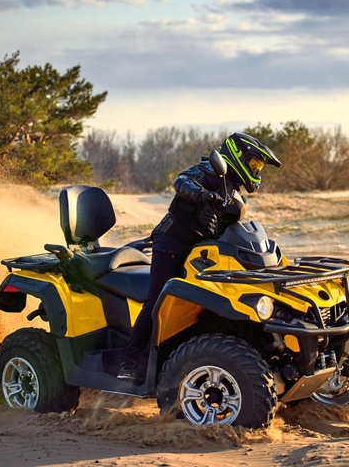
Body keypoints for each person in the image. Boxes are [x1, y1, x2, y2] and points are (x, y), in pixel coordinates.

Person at [117, 132, 281, 383]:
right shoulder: (211, 170)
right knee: (157, 300)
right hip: (172, 244)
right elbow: (181, 181)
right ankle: (130, 362)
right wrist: (201, 195)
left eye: (259, 167)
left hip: (200, 252)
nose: (257, 170)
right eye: (254, 164)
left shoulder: (233, 189)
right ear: (238, 156)